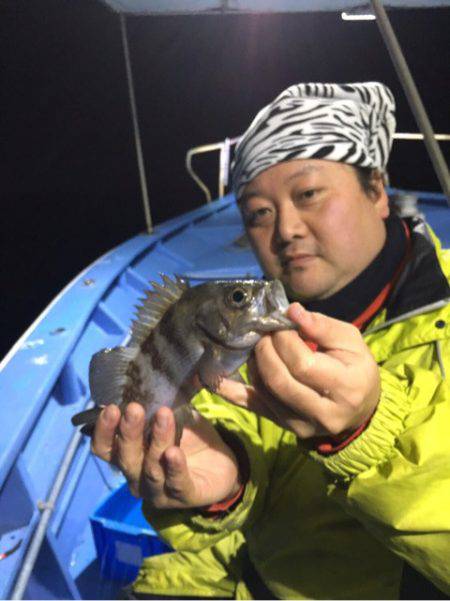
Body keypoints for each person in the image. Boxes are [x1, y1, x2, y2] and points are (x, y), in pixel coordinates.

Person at [92, 82, 450, 599]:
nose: (285, 231)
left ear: (377, 191)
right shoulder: (255, 327)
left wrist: (373, 431)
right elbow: (237, 426)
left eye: (308, 194)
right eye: (259, 213)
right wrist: (226, 478)